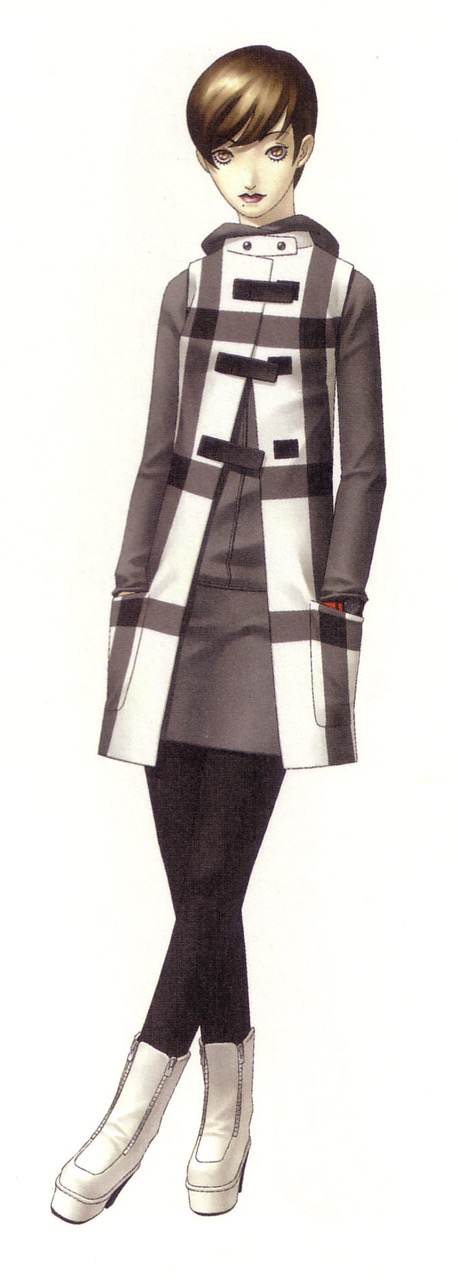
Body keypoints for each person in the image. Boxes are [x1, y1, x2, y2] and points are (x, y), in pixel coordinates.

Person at [51, 44, 385, 1223]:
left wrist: (339, 595)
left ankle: (134, 1101)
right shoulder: (184, 289)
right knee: (201, 884)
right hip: (176, 597)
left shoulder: (344, 293)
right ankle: (230, 1098)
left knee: (212, 873)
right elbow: (155, 450)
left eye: (269, 146)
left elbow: (363, 464)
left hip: (281, 599)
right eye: (226, 152)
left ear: (303, 146)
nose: (249, 173)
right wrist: (128, 585)